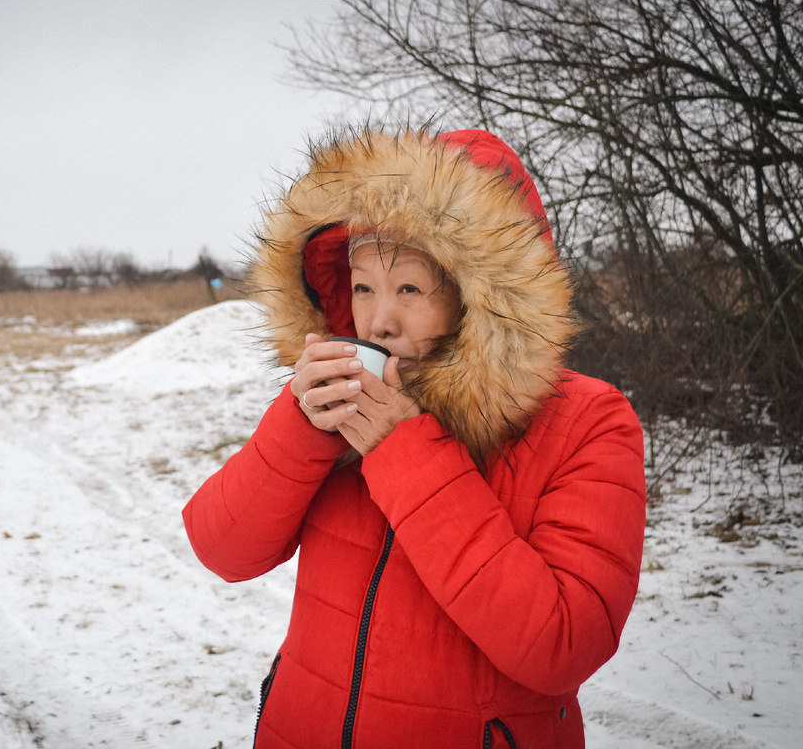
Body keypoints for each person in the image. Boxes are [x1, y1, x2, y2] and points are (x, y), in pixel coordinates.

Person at [182, 127, 646, 749]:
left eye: (408, 288)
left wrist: (406, 453)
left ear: (479, 298)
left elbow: (564, 644)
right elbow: (223, 549)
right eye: (363, 286)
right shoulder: (338, 401)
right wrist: (300, 427)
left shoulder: (586, 420)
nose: (378, 319)